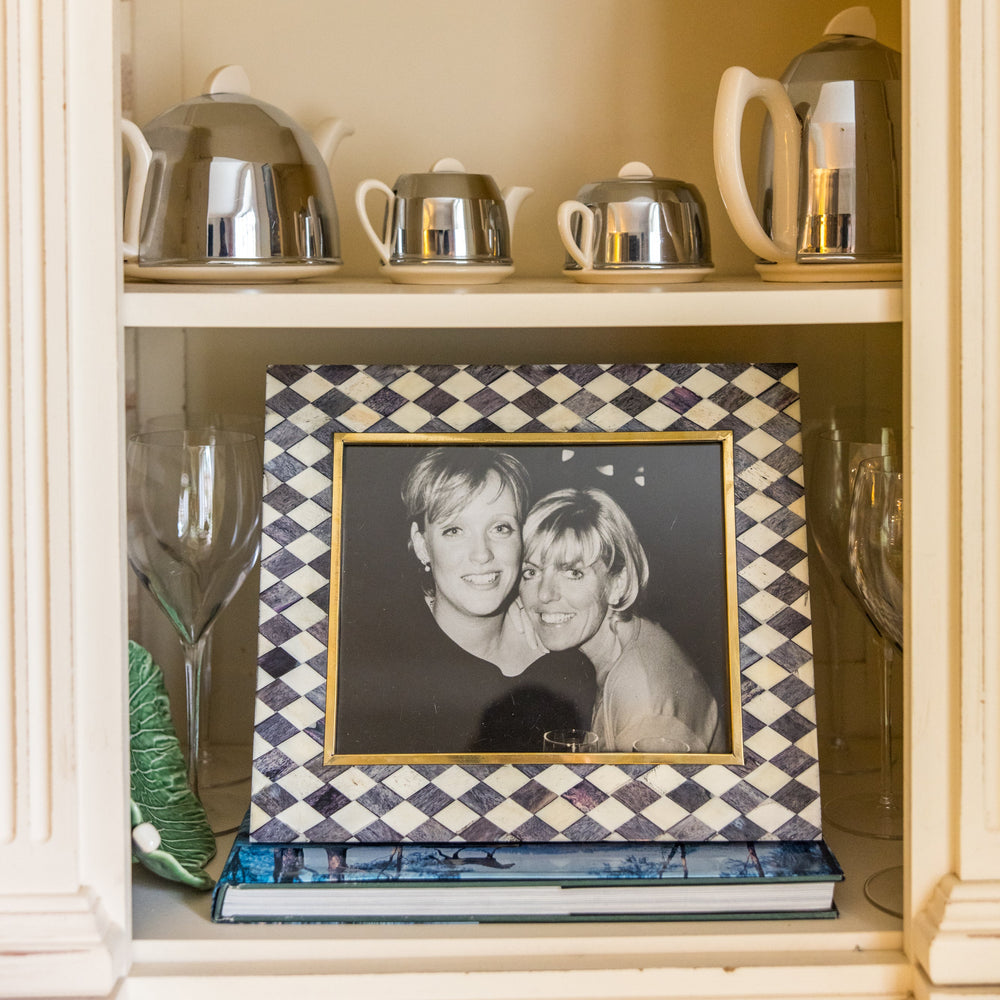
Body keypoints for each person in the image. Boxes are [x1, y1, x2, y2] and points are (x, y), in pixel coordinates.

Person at [333, 447, 595, 755]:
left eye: (501, 528)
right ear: (422, 545)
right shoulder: (380, 673)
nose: (482, 554)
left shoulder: (565, 657)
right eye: (454, 530)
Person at [519, 487, 724, 754]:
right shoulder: (631, 636)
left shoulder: (644, 716)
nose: (544, 594)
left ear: (618, 583)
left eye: (573, 573)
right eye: (531, 572)